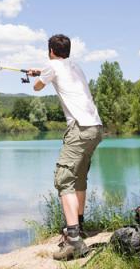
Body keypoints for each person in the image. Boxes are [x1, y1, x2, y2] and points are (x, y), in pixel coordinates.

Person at [28, 34, 103, 261]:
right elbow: (52, 74)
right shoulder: (75, 67)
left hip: (79, 129)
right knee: (78, 178)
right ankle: (78, 227)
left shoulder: (51, 65)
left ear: (51, 50)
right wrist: (40, 71)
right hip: (96, 128)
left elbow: (37, 87)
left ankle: (73, 241)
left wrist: (38, 74)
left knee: (63, 179)